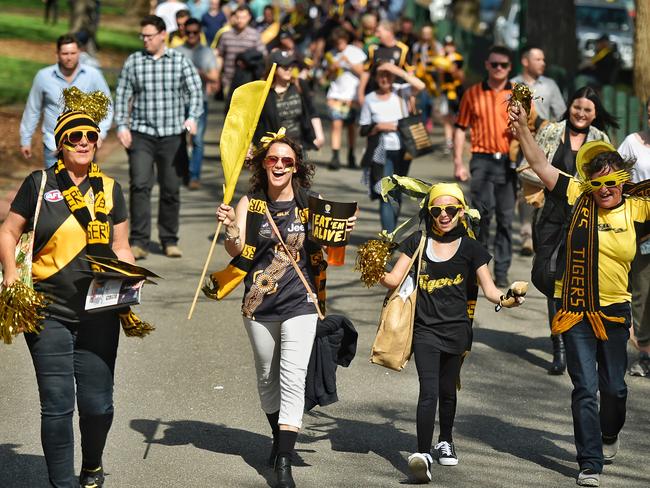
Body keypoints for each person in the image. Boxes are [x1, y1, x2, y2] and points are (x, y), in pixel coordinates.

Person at [510, 103, 650, 488]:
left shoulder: (638, 208)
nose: (605, 190)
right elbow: (540, 166)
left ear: (623, 181)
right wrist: (523, 129)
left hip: (615, 312)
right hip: (574, 310)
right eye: (598, 183)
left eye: (612, 182)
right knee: (585, 388)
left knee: (615, 389)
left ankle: (609, 434)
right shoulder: (577, 197)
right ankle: (589, 462)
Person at [0, 92, 134, 488]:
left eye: (89, 136)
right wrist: (10, 272)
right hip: (46, 309)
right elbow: (8, 232)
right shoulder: (39, 184)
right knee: (57, 405)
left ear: (96, 141)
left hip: (99, 311)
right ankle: (62, 484)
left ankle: (92, 463)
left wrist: (128, 273)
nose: (82, 142)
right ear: (60, 143)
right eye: (73, 136)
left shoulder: (111, 189)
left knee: (97, 406)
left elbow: (122, 244)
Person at [211, 133, 356, 488]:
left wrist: (342, 231)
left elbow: (330, 251)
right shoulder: (251, 203)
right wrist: (231, 229)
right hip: (258, 304)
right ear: (263, 164)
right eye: (273, 159)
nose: (279, 165)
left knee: (292, 378)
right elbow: (238, 253)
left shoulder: (311, 202)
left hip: (300, 302)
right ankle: (279, 438)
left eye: (286, 161)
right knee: (267, 377)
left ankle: (285, 462)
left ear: (296, 167)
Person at [378, 182, 523, 483]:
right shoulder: (418, 241)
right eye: (437, 210)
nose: (444, 215)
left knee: (447, 391)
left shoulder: (471, 248)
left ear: (461, 212)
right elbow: (393, 279)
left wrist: (507, 300)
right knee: (428, 391)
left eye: (450, 209)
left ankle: (445, 439)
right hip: (424, 331)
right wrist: (371, 266)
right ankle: (422, 454)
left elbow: (491, 290)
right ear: (429, 212)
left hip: (457, 331)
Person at [524, 85, 617, 375]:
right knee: (550, 278)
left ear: (595, 113)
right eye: (577, 107)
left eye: (588, 109)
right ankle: (558, 342)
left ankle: (567, 340)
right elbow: (531, 165)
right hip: (550, 215)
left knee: (571, 278)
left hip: (583, 218)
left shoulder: (601, 140)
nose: (581, 113)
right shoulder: (552, 131)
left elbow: (610, 180)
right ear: (570, 107)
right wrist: (551, 180)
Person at [114, 15, 203, 260]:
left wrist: (192, 117)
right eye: (142, 36)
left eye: (149, 36)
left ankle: (169, 239)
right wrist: (121, 125)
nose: (145, 40)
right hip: (141, 134)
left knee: (171, 189)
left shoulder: (179, 61)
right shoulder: (134, 62)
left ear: (163, 34)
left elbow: (195, 90)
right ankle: (139, 241)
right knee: (140, 185)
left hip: (172, 135)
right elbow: (121, 95)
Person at [453, 45, 515, 288]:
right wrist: (458, 162)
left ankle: (502, 271)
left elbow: (531, 129)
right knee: (481, 216)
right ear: (487, 65)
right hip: (481, 159)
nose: (499, 69)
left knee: (506, 219)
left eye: (504, 65)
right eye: (494, 64)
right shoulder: (473, 93)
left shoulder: (519, 95)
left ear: (510, 68)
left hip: (508, 162)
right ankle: (481, 270)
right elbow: (460, 127)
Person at [20, 34, 112, 168]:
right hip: (54, 147)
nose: (69, 57)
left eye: (73, 53)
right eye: (65, 53)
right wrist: (25, 139)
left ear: (80, 52)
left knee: (84, 188)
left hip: (84, 146)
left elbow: (107, 106)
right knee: (56, 188)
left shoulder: (93, 75)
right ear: (57, 54)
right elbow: (33, 109)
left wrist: (100, 134)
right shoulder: (44, 77)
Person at [511, 45, 567, 255]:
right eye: (538, 59)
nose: (543, 63)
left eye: (543, 60)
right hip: (520, 144)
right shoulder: (513, 84)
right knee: (524, 188)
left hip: (547, 146)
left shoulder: (550, 86)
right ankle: (526, 235)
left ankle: (542, 232)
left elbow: (561, 114)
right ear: (525, 61)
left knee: (545, 188)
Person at [359, 61, 425, 233]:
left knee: (397, 192)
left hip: (404, 150)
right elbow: (363, 128)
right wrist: (378, 127)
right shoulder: (369, 99)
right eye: (381, 74)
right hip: (381, 152)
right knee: (386, 193)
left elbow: (421, 85)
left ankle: (391, 233)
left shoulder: (401, 90)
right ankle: (388, 238)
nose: (385, 78)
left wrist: (396, 70)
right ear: (375, 77)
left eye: (388, 74)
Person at [617, 98, 650, 377]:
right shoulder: (632, 143)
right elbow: (614, 177)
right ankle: (644, 352)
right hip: (642, 229)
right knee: (642, 287)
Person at [174, 18, 219, 190]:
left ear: (199, 33)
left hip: (200, 102)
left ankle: (194, 176)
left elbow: (215, 77)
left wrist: (199, 73)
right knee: (179, 139)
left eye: (195, 32)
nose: (191, 35)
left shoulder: (207, 53)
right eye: (188, 32)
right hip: (178, 103)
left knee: (198, 140)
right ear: (184, 32)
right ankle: (183, 172)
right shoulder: (176, 52)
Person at [254, 50, 325, 153]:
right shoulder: (264, 92)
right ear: (274, 69)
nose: (289, 69)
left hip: (299, 146)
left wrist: (319, 136)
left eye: (291, 66)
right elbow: (257, 122)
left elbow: (312, 111)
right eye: (284, 66)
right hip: (275, 149)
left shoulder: (299, 84)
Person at [325, 27, 366, 170]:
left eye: (341, 43)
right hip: (336, 94)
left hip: (352, 96)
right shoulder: (331, 54)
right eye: (336, 44)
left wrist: (348, 62)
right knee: (336, 124)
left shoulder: (355, 52)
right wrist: (332, 68)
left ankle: (351, 155)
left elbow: (362, 73)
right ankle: (335, 156)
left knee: (351, 127)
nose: (339, 46)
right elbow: (327, 77)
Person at [214, 5, 265, 97]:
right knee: (231, 109)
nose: (240, 20)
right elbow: (220, 56)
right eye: (238, 17)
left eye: (243, 17)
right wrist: (217, 78)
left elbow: (263, 55)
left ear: (249, 18)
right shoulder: (226, 35)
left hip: (249, 81)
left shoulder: (255, 35)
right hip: (229, 81)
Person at [357, 19, 412, 105]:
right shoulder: (373, 49)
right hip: (375, 93)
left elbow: (410, 73)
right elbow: (366, 72)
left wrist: (411, 97)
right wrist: (360, 94)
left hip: (396, 96)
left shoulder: (403, 49)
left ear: (389, 31)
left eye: (379, 32)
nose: (376, 35)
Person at [436, 36, 464, 154]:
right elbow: (439, 71)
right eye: (447, 45)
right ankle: (449, 141)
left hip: (456, 92)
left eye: (451, 45)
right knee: (446, 117)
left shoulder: (457, 58)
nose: (449, 48)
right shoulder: (441, 58)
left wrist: (448, 64)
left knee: (456, 118)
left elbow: (459, 75)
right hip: (445, 91)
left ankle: (456, 139)